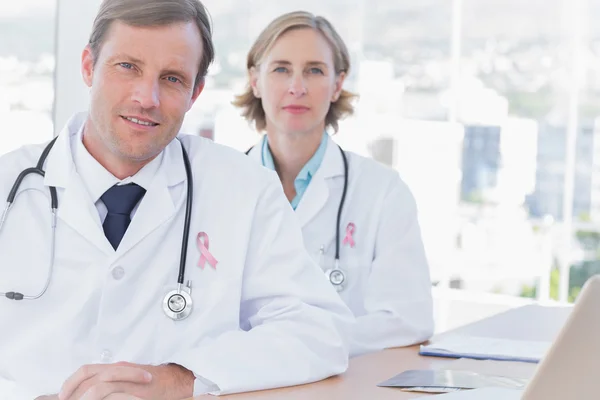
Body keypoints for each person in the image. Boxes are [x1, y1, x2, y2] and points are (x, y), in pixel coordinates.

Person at [0, 1, 355, 399]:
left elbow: (319, 331)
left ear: (195, 92)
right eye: (127, 66)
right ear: (88, 66)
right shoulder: (6, 186)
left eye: (171, 78)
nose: (146, 97)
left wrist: (183, 378)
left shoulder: (244, 190)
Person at [233, 11, 434, 357]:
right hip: (244, 384)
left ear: (337, 84)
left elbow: (408, 319)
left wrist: (304, 344)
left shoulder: (382, 192)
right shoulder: (222, 187)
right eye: (281, 69)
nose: (297, 86)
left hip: (343, 383)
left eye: (315, 70)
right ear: (255, 81)